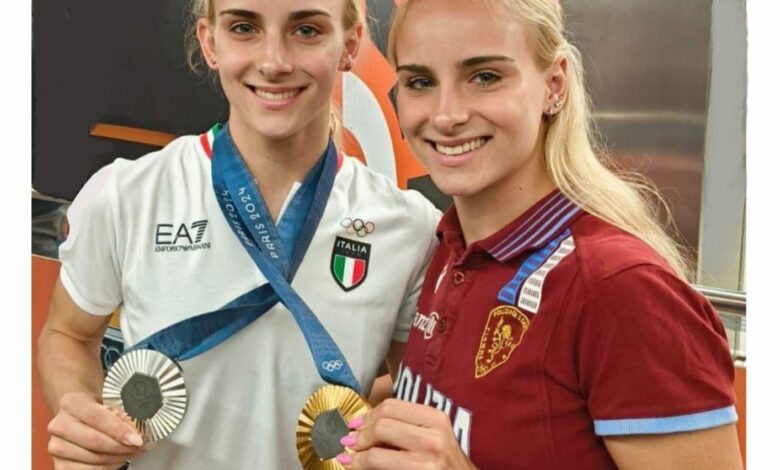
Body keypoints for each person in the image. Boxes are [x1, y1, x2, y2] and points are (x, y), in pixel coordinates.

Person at [337, 0, 743, 469]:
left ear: (554, 84)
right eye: (420, 82)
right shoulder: (449, 246)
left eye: (484, 77)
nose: (446, 115)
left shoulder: (620, 288)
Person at [36, 0, 439, 468]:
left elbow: (414, 392)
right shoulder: (128, 193)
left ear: (349, 45)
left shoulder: (409, 227)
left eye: (307, 30)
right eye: (244, 27)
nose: (273, 62)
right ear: (210, 43)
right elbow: (66, 334)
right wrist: (78, 410)